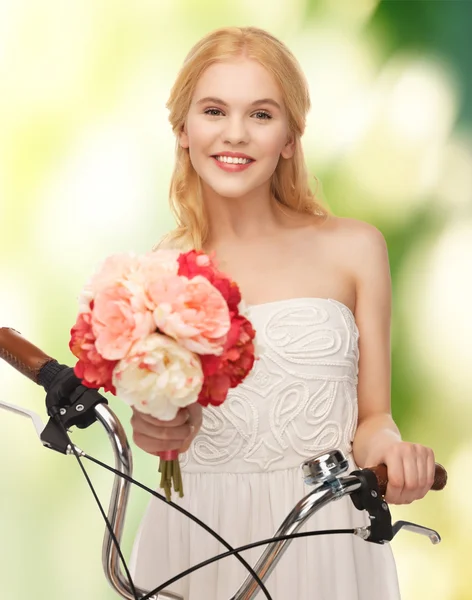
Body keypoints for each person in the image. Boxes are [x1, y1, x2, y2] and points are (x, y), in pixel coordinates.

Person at [129, 26, 436, 600]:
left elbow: (372, 420)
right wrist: (158, 429)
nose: (235, 134)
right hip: (198, 535)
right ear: (183, 130)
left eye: (262, 115)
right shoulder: (158, 273)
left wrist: (392, 452)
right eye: (214, 110)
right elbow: (158, 425)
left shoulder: (356, 249)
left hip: (322, 532)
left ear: (291, 137)